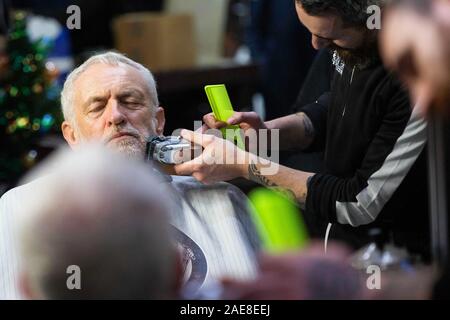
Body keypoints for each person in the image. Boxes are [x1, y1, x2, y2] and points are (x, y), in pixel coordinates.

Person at [175, 0, 430, 259]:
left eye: (327, 37)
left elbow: (359, 202)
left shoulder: (416, 81)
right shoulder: (350, 44)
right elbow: (334, 109)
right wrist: (263, 135)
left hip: (395, 258)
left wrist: (246, 165)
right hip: (334, 242)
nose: (316, 45)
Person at [0, 51, 259, 299]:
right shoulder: (22, 207)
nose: (115, 116)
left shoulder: (223, 197)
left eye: (131, 101)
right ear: (72, 135)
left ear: (158, 121)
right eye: (97, 107)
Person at [16, 145, 181, 299]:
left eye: (132, 110)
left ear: (27, 289)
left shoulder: (31, 203)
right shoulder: (13, 202)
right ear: (178, 272)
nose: (115, 117)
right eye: (96, 112)